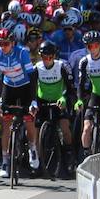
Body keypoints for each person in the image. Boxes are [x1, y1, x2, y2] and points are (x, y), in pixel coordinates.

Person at [0, 27, 38, 177]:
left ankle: (32, 148)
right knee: (6, 124)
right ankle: (5, 161)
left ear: (12, 43)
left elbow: (32, 77)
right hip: (8, 87)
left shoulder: (22, 52)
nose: (3, 47)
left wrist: (33, 100)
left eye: (6, 44)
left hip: (25, 87)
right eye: (0, 44)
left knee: (29, 119)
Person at [31, 41, 75, 175]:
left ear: (54, 56)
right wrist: (33, 102)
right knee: (36, 131)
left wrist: (63, 98)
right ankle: (37, 162)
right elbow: (32, 88)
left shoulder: (62, 66)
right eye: (45, 57)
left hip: (58, 100)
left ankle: (69, 158)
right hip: (42, 101)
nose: (47, 60)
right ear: (40, 56)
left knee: (65, 127)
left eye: (50, 57)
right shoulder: (37, 68)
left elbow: (70, 88)